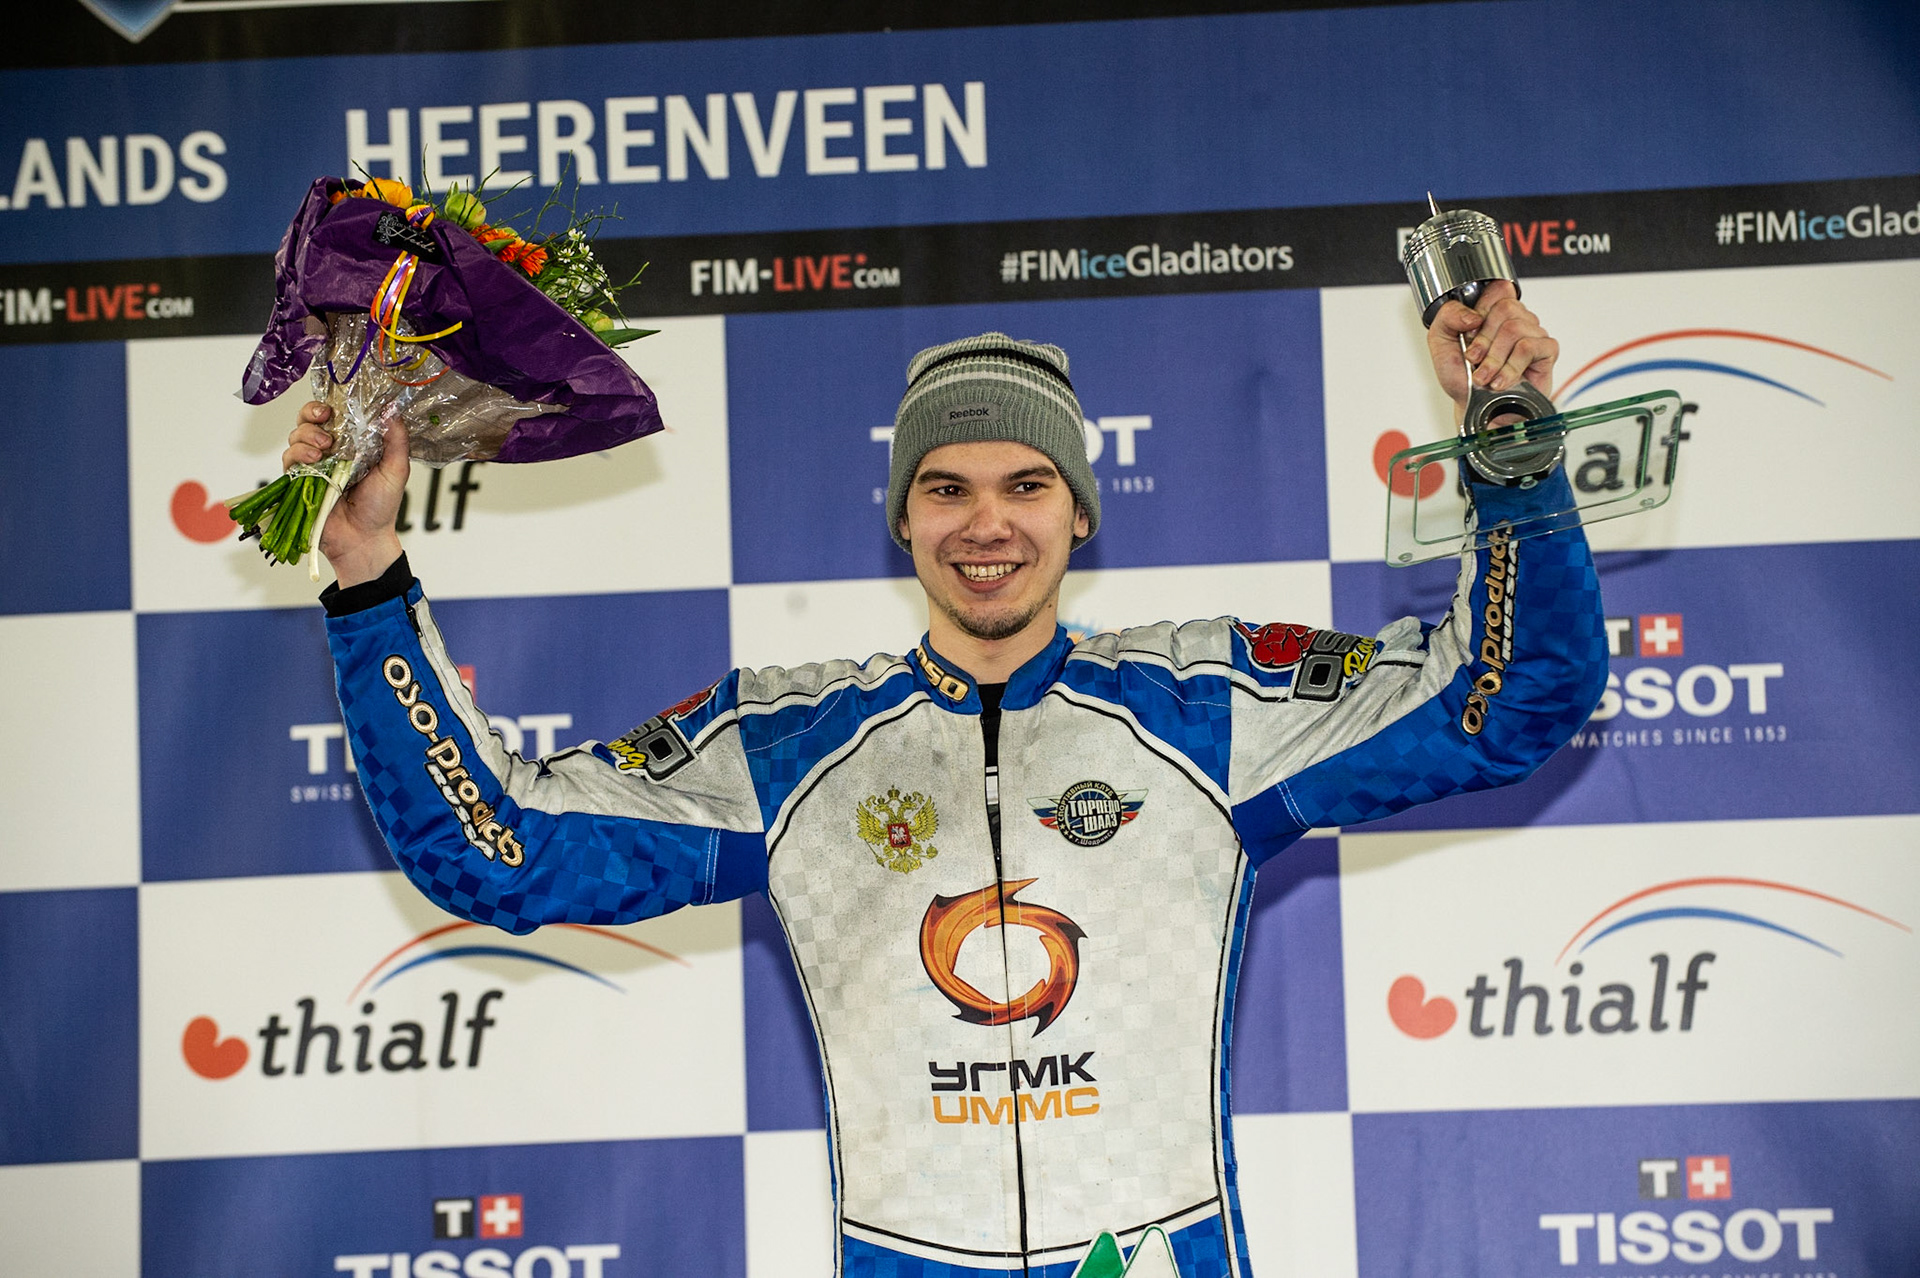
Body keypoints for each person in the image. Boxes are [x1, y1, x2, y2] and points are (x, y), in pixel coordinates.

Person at [289, 283, 1604, 1278]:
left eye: (1029, 483)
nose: (989, 521)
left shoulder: (1213, 709)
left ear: (1081, 509)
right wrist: (367, 575)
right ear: (903, 516)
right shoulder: (786, 744)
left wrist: (1512, 440)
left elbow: (1497, 704)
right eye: (948, 486)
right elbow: (501, 846)